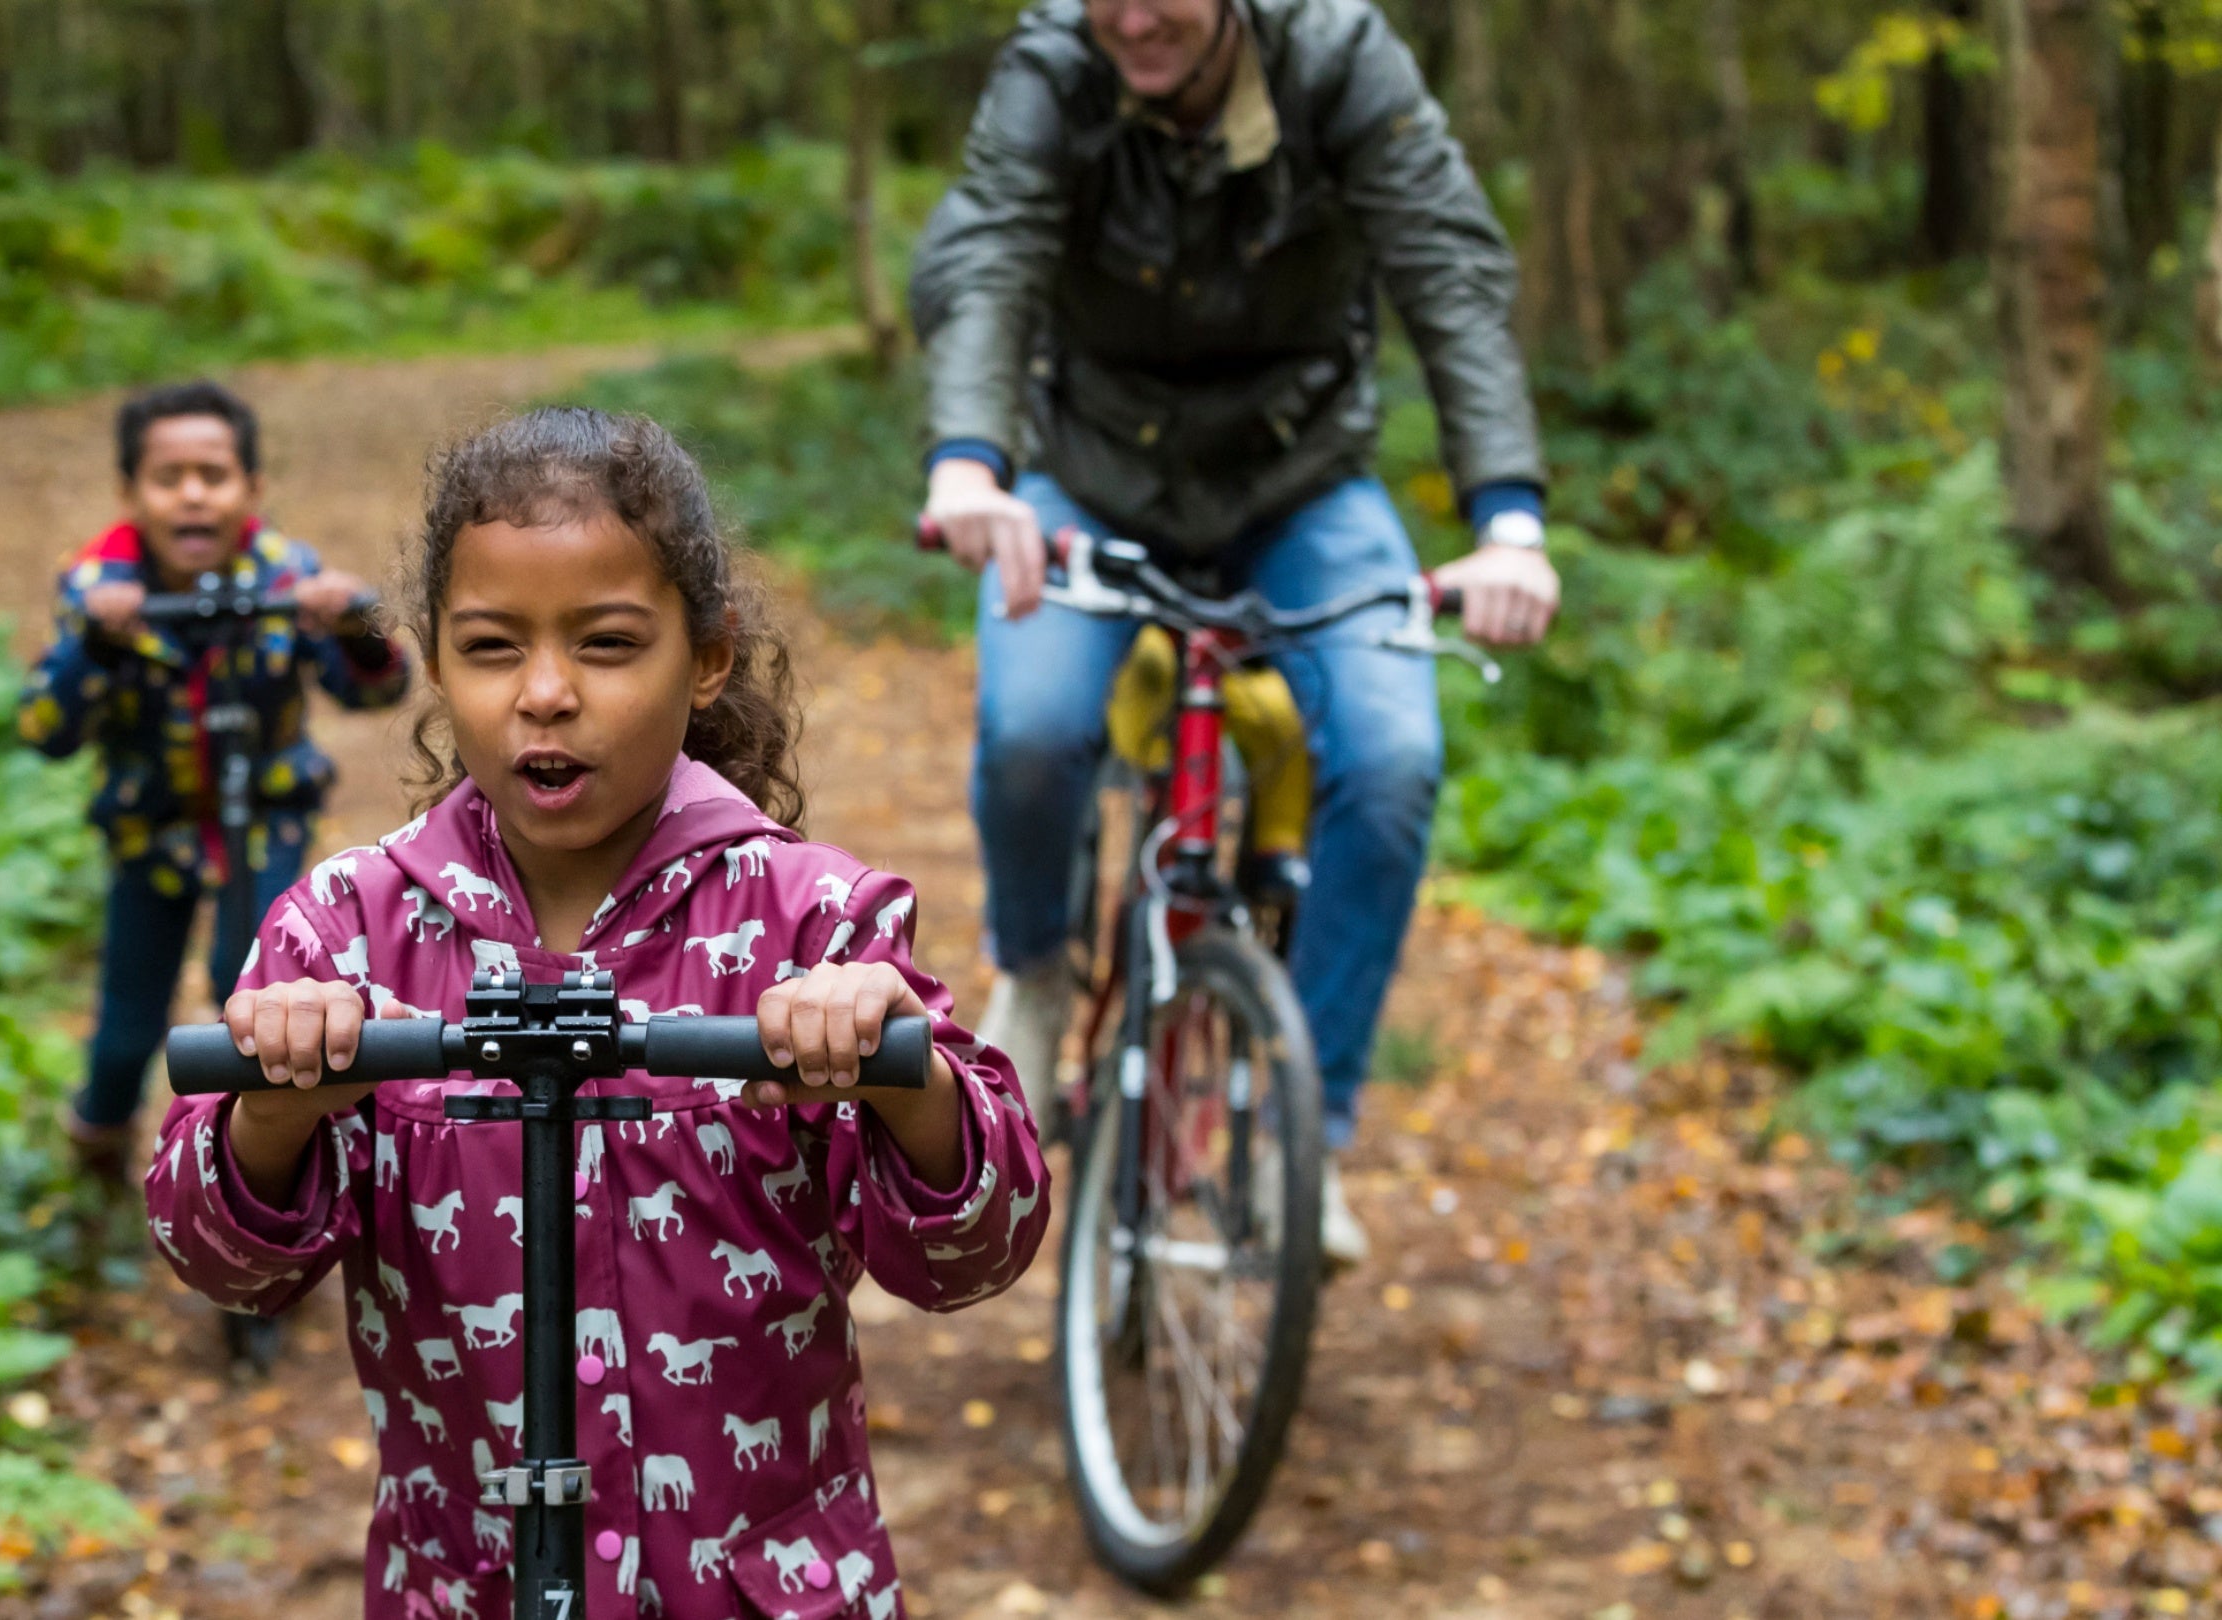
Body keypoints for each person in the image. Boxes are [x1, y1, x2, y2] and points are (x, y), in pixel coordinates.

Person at [147, 408, 1049, 1616]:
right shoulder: (344, 937)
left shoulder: (813, 924)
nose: (548, 694)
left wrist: (910, 1083)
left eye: (611, 644)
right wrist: (273, 1113)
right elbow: (218, 1260)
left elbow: (974, 1252)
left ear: (708, 656)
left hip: (763, 1589)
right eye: (491, 647)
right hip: (466, 1587)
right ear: (432, 657)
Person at [909, 0, 1562, 1265]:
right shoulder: (1056, 67)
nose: (1135, 17)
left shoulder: (1339, 60)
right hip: (1087, 477)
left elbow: (1450, 272)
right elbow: (988, 256)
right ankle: (1037, 972)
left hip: (1300, 486)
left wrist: (1510, 522)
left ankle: (1303, 1120)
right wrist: (968, 465)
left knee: (1389, 759)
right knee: (1036, 726)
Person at [18, 380, 409, 1191]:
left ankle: (261, 1166)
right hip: (148, 829)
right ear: (131, 494)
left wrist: (348, 620)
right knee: (129, 1023)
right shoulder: (98, 589)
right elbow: (46, 731)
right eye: (169, 478)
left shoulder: (286, 575)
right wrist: (98, 640)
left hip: (263, 820)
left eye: (215, 474)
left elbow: (376, 688)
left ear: (252, 490)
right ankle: (96, 1158)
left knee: (256, 983)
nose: (193, 495)